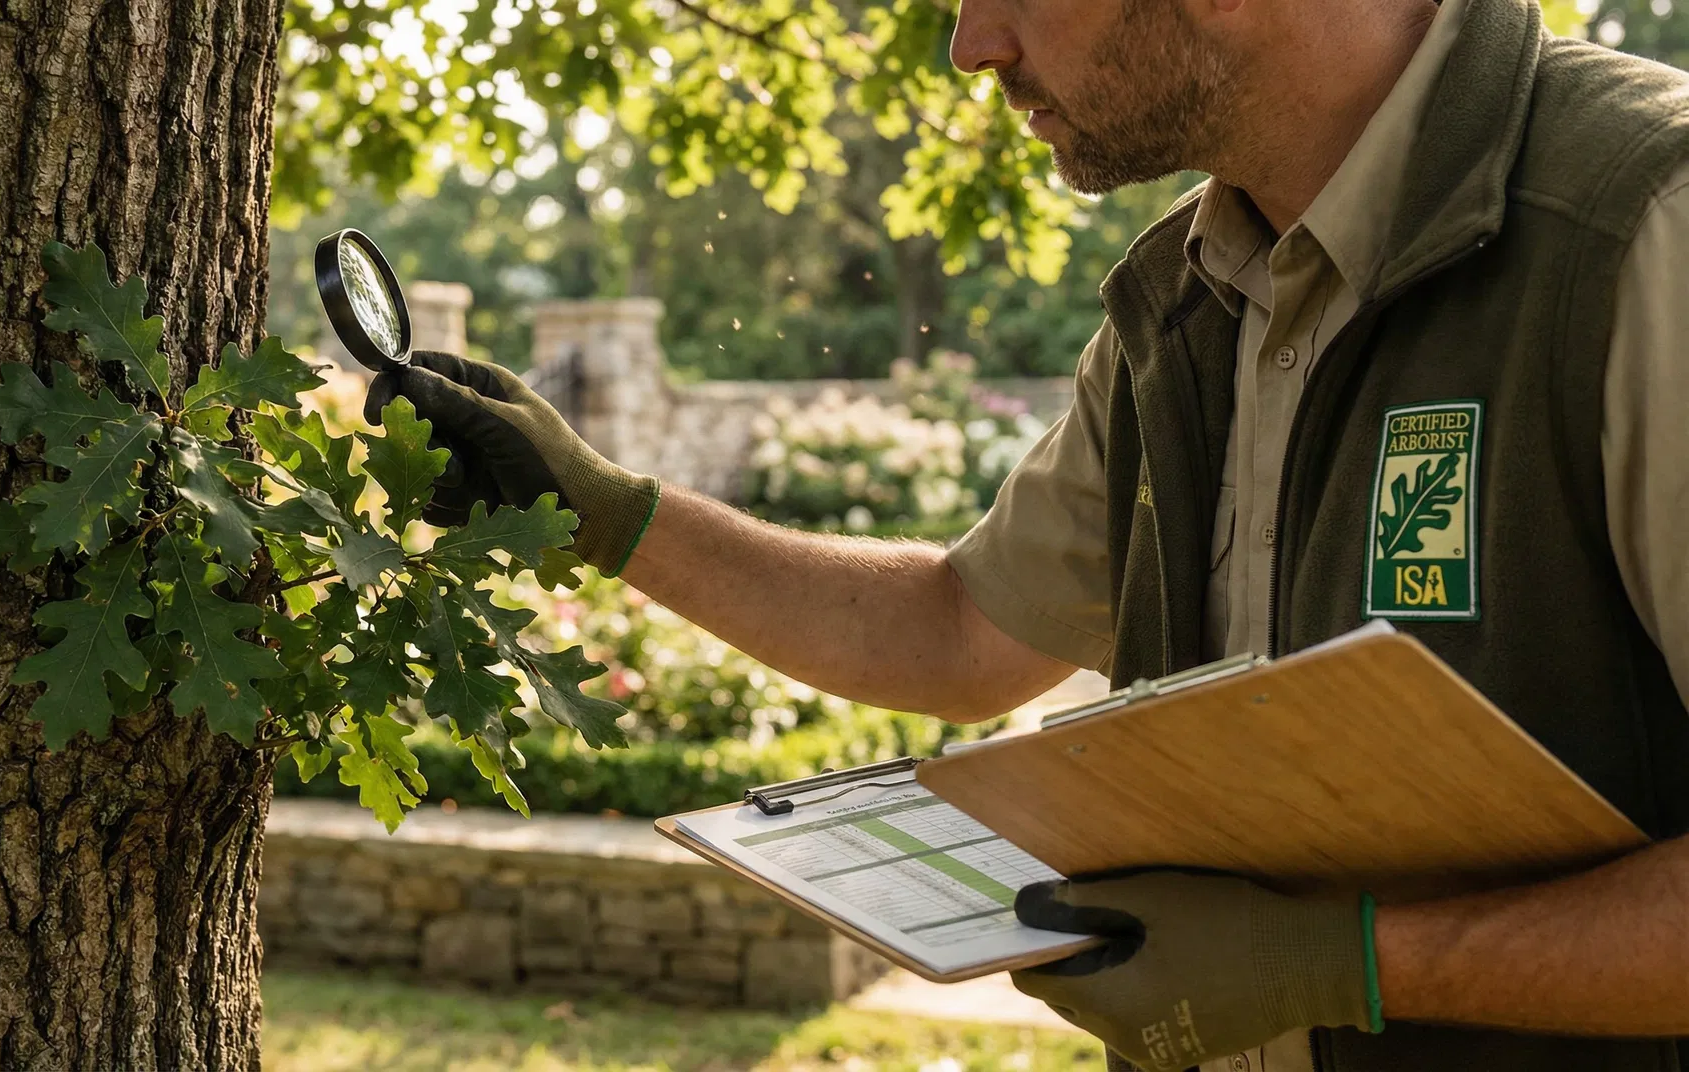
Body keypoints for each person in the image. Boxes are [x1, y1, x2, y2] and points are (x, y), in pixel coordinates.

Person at [362, 0, 1689, 1066]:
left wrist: (1359, 964)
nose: (968, 44)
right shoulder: (1187, 296)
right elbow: (960, 631)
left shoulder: (1644, 227)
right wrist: (603, 510)